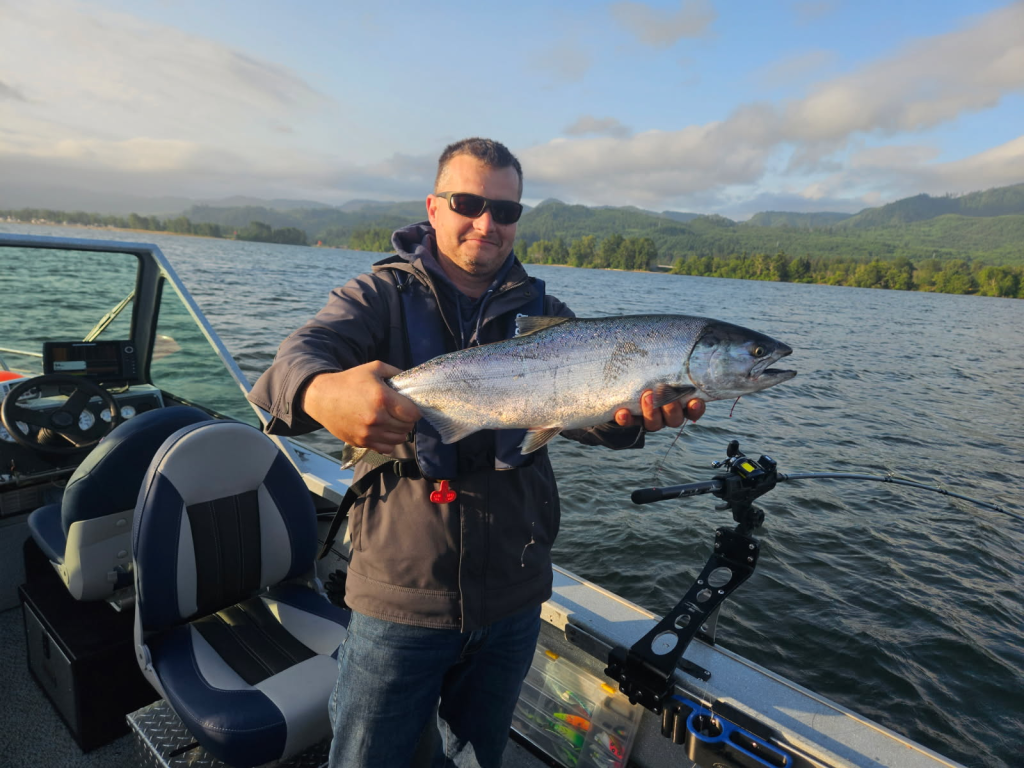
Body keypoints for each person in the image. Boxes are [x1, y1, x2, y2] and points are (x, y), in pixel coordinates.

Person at [247, 137, 705, 767]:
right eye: (468, 203)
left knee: (479, 757)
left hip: (514, 596)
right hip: (398, 595)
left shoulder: (550, 316)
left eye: (507, 210)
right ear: (433, 208)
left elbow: (596, 421)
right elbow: (290, 365)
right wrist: (322, 391)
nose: (488, 222)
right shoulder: (378, 296)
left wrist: (638, 420)